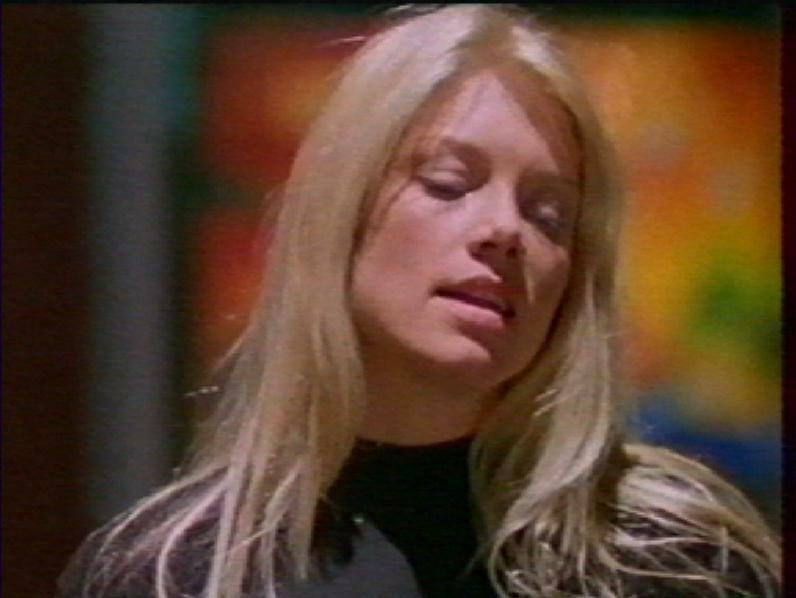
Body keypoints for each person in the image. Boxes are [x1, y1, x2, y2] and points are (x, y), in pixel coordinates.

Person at [58, 4, 780, 597]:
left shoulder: (679, 564)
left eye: (549, 214)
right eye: (448, 183)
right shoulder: (176, 574)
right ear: (341, 213)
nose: (505, 231)